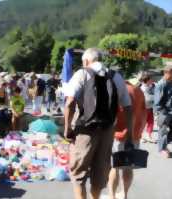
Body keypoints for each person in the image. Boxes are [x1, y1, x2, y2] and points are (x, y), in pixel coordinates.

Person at [64, 48, 133, 199]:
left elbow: (69, 103)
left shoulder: (82, 73)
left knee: (78, 175)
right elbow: (128, 106)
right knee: (100, 175)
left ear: (86, 61)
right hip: (108, 130)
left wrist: (67, 128)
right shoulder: (116, 76)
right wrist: (130, 133)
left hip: (84, 131)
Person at [108, 82, 147, 199]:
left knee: (115, 167)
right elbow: (145, 113)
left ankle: (112, 196)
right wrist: (139, 132)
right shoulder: (138, 91)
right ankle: (124, 194)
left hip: (118, 135)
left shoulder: (115, 91)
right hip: (135, 135)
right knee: (128, 167)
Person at [154, 62, 172, 158]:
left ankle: (164, 145)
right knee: (163, 131)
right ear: (167, 73)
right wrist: (162, 113)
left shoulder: (170, 82)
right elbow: (157, 103)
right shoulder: (161, 84)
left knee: (166, 132)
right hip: (164, 112)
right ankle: (162, 149)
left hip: (170, 111)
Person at [140, 72, 156, 143]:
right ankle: (140, 136)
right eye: (151, 79)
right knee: (142, 123)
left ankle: (149, 136)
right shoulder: (141, 87)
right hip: (143, 108)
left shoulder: (152, 86)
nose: (152, 80)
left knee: (151, 122)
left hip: (150, 107)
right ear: (147, 80)